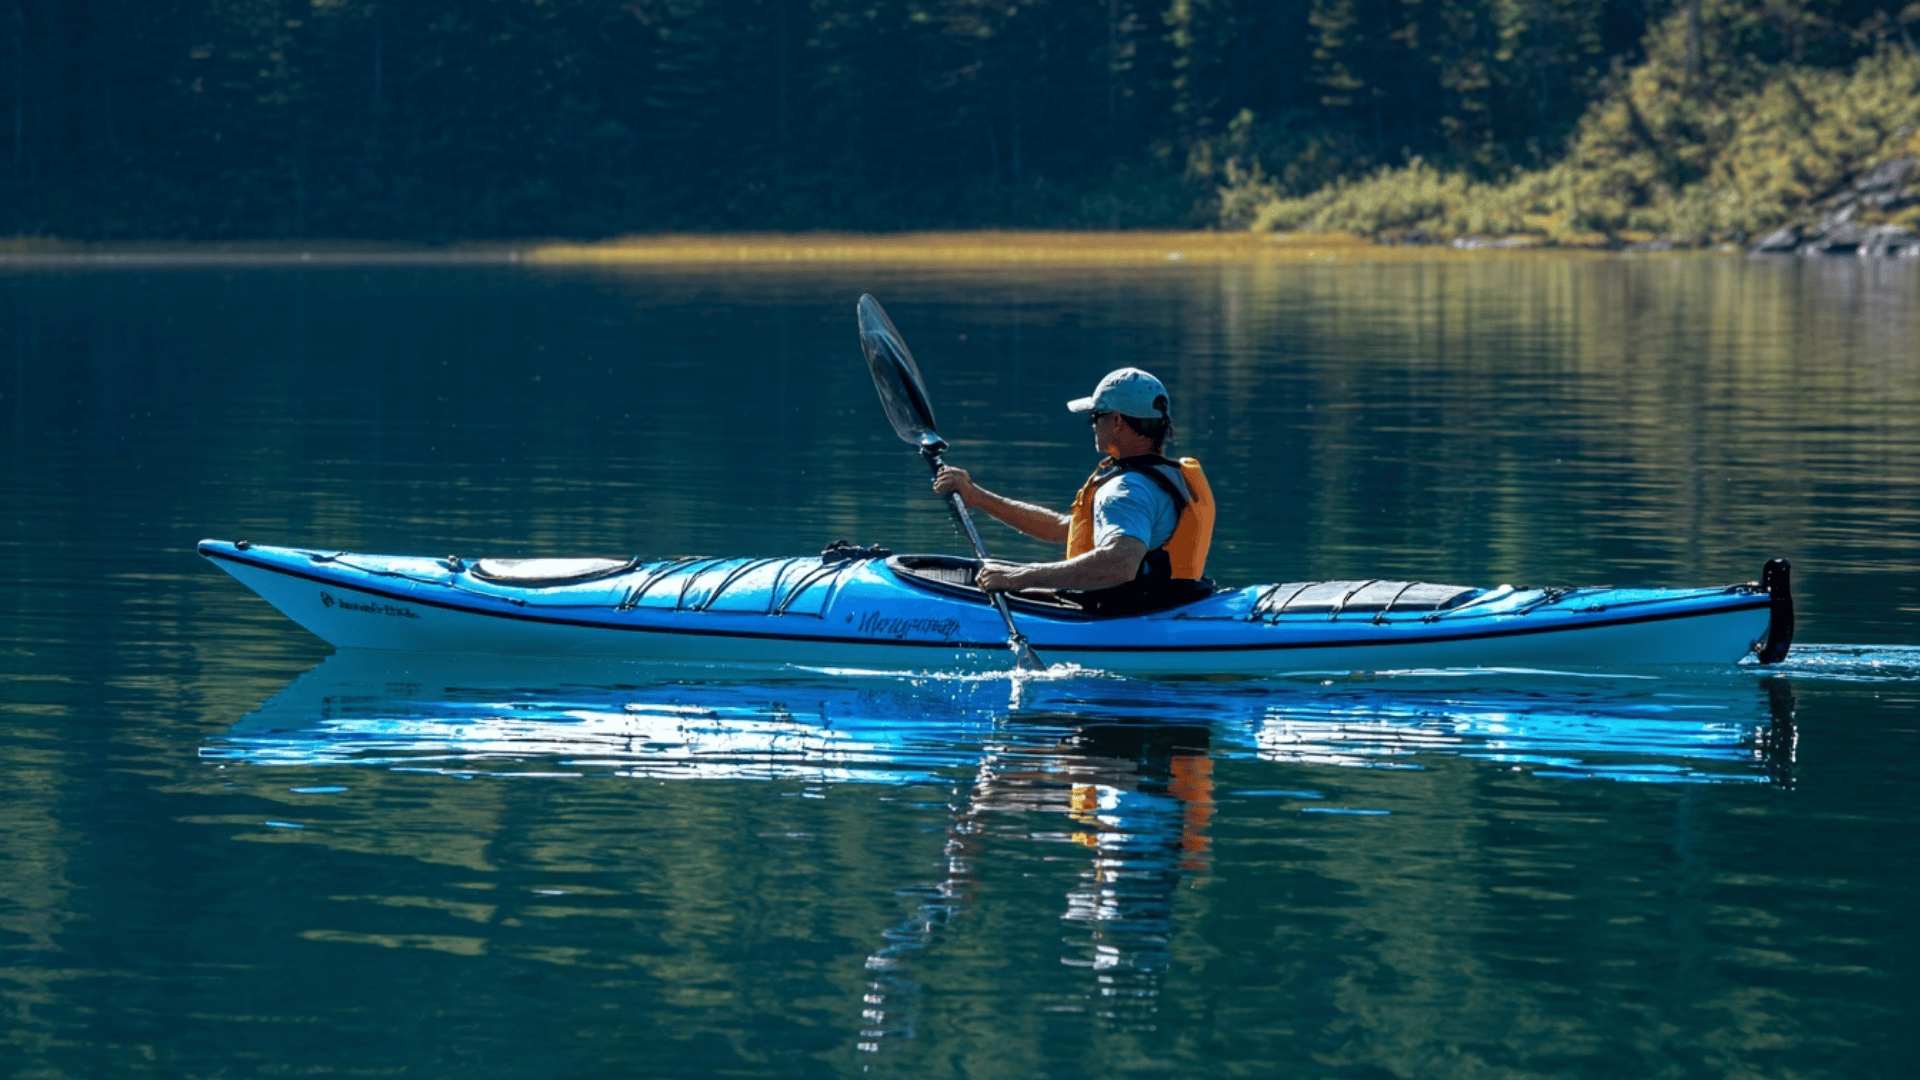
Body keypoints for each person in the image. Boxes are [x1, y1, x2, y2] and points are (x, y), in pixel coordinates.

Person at [932, 368, 1215, 615]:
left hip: (1120, 616)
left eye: (1096, 416)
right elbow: (1062, 528)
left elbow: (1120, 563)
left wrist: (1020, 578)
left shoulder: (1125, 490)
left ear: (1116, 421)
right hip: (1169, 604)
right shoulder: (1167, 477)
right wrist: (977, 497)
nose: (1093, 425)